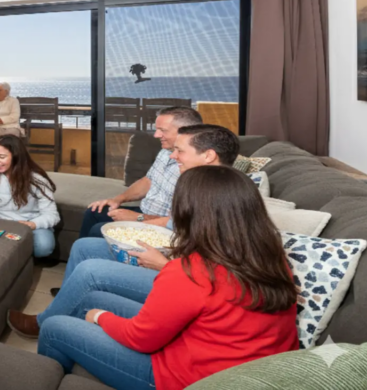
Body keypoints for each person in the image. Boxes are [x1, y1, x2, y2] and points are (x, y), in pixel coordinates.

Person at [33, 167, 299, 390]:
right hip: (242, 361)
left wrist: (99, 317)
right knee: (92, 298)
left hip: (195, 378)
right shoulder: (267, 253)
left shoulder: (191, 271)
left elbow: (140, 339)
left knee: (55, 328)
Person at [36, 124, 241, 299]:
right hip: (172, 254)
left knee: (92, 260)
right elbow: (173, 224)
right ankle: (71, 294)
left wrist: (161, 259)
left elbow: (216, 271)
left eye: (180, 151)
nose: (173, 155)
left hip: (177, 270)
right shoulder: (196, 185)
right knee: (84, 242)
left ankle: (79, 300)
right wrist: (127, 216)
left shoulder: (221, 198)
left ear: (208, 155)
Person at [79, 106, 203, 238]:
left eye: (162, 130)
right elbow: (148, 180)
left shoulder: (194, 167)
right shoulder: (165, 151)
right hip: (144, 213)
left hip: (163, 227)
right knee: (93, 212)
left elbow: (180, 223)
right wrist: (117, 200)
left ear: (185, 132)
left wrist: (138, 218)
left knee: (98, 230)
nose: (156, 135)